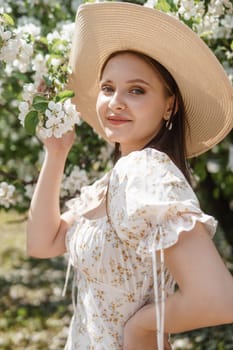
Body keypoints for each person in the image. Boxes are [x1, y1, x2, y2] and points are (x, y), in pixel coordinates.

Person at [26, 2, 233, 350]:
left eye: (136, 90)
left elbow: (220, 299)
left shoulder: (146, 170)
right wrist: (56, 151)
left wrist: (141, 328)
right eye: (108, 88)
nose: (116, 101)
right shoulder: (115, 179)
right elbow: (41, 243)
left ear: (170, 105)